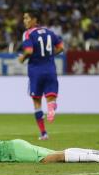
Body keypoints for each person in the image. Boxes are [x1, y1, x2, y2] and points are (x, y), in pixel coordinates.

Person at [17, 9, 64, 140]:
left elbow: (29, 50)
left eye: (27, 18)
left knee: (37, 101)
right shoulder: (49, 32)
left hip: (36, 70)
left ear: (34, 20)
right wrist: (49, 55)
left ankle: (44, 133)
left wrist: (22, 58)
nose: (25, 21)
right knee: (50, 96)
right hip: (50, 69)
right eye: (24, 19)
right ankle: (52, 107)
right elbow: (61, 47)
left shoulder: (28, 34)